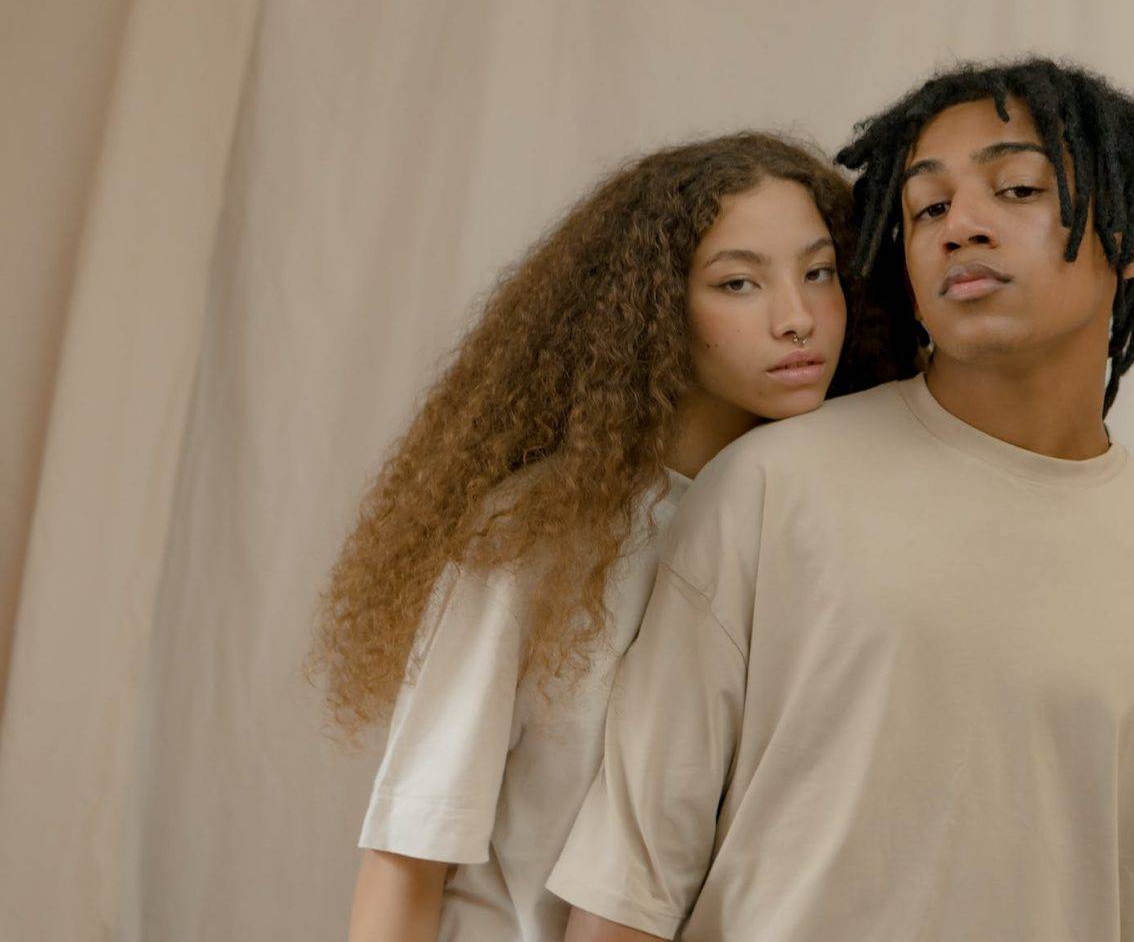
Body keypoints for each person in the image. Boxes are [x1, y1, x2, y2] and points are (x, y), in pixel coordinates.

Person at [552, 57, 1134, 941]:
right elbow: (627, 890)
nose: (961, 225)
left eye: (1015, 189)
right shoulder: (774, 488)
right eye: (927, 206)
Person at [312, 131, 897, 941]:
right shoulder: (537, 536)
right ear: (656, 309)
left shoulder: (822, 527)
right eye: (738, 282)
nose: (797, 318)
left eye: (820, 272)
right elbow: (409, 855)